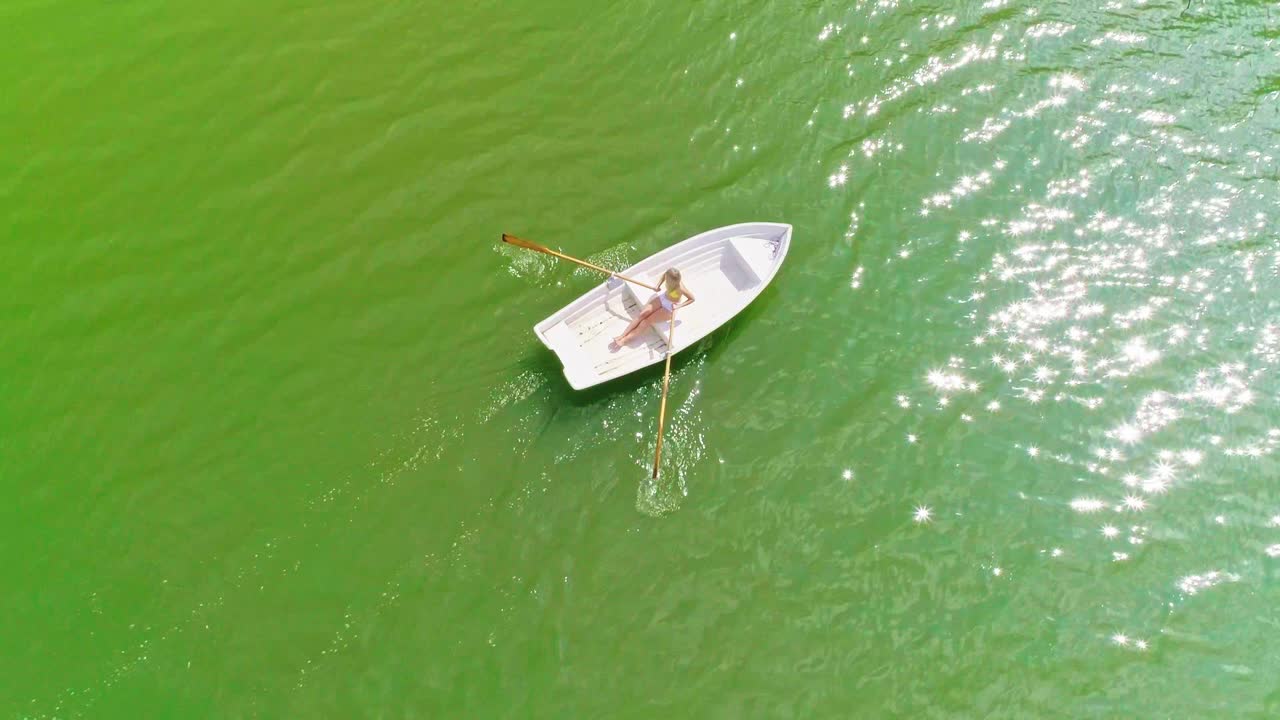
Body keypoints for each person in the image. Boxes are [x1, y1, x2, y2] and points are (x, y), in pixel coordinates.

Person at [610, 268, 695, 351]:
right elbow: (664, 275)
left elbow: (692, 299)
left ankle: (624, 341)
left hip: (670, 307)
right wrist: (658, 285)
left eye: (669, 281)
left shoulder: (681, 288)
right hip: (663, 298)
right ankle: (622, 336)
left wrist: (678, 306)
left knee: (646, 321)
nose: (667, 281)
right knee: (642, 314)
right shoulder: (667, 276)